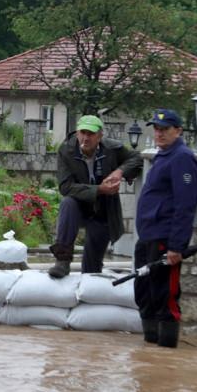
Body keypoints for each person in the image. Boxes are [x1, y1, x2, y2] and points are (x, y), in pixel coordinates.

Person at [134, 108, 197, 348]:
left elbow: (185, 204)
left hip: (164, 237)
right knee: (144, 290)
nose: (159, 134)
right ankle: (150, 350)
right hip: (148, 236)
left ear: (178, 131)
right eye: (157, 129)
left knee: (165, 295)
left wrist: (176, 245)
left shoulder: (182, 157)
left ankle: (166, 348)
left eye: (165, 129)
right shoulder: (163, 155)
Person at [48, 114, 143, 278]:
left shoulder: (112, 149)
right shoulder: (66, 150)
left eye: (90, 134)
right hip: (79, 205)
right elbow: (66, 187)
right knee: (67, 203)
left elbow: (137, 158)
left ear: (100, 136)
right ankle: (63, 260)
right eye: (82, 133)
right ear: (77, 133)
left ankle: (91, 279)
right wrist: (99, 189)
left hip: (104, 208)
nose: (86, 138)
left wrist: (120, 171)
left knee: (92, 268)